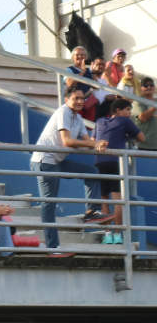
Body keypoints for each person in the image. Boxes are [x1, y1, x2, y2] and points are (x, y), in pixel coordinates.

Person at [30, 84, 108, 251]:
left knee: (92, 172)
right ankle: (53, 247)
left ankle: (91, 211)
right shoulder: (63, 111)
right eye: (76, 98)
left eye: (82, 98)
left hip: (57, 161)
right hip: (44, 161)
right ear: (67, 100)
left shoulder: (78, 119)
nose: (80, 101)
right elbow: (67, 141)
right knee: (49, 204)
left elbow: (86, 143)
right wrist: (94, 143)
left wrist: (98, 145)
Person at [94, 98, 143, 242]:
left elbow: (94, 140)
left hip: (99, 162)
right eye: (127, 109)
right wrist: (127, 137)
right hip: (115, 163)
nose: (129, 113)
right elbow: (142, 137)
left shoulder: (99, 121)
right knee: (117, 200)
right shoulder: (125, 121)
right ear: (118, 110)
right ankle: (117, 234)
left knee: (104, 199)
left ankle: (107, 234)